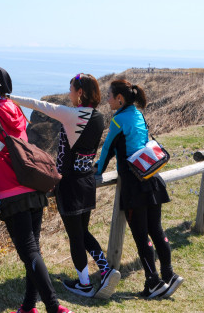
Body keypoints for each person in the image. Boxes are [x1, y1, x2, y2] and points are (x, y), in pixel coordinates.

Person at [0, 65, 74, 313]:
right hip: (32, 185)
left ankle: (54, 307)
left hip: (9, 191)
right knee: (33, 252)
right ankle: (29, 306)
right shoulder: (15, 109)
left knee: (29, 253)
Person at [10, 73, 120, 299]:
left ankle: (85, 284)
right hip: (87, 181)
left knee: (75, 237)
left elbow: (40, 105)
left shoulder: (73, 116)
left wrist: (9, 97)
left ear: (80, 92)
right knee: (82, 232)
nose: (69, 94)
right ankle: (106, 270)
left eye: (71, 90)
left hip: (70, 185)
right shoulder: (99, 117)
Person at [94, 79, 184, 299]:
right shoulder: (137, 115)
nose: (107, 99)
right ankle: (169, 275)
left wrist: (96, 173)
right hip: (151, 178)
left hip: (134, 186)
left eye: (109, 95)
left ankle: (153, 282)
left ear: (120, 99)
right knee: (157, 230)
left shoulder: (118, 120)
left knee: (141, 236)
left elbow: (107, 150)